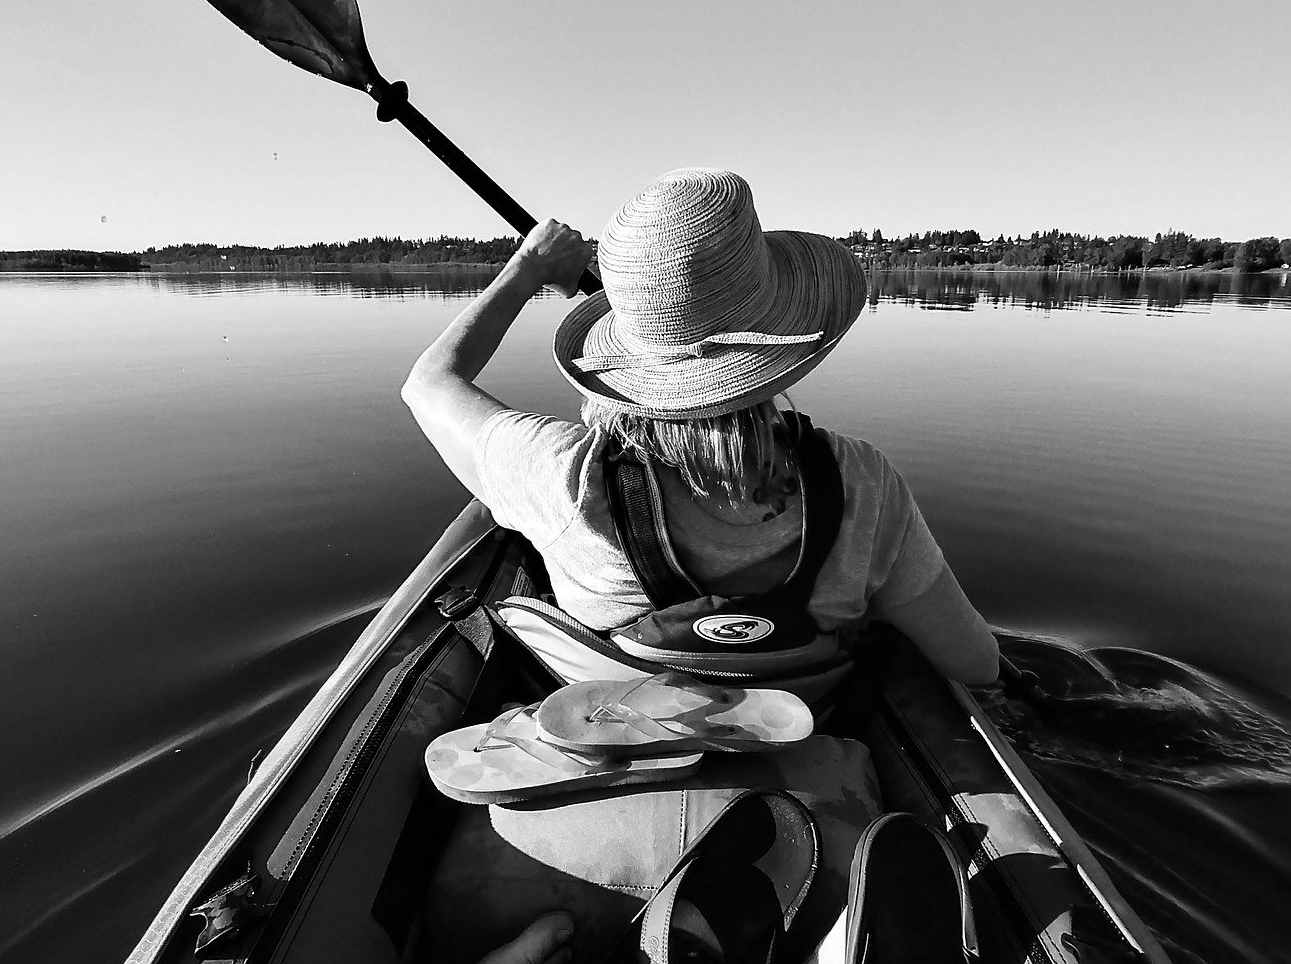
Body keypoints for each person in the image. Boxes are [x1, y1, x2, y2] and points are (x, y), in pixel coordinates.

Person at [401, 167, 998, 688]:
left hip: (623, 745)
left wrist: (528, 266)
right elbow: (976, 664)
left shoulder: (559, 476)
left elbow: (427, 384)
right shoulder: (862, 482)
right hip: (811, 737)